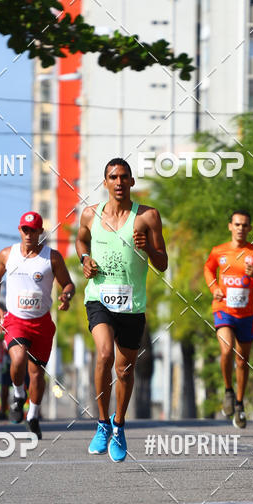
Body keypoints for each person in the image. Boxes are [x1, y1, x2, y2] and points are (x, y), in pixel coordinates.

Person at [76, 158, 168, 462]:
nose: (118, 182)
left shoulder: (148, 217)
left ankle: (119, 424)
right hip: (98, 298)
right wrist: (85, 259)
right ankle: (102, 423)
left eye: (123, 177)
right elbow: (80, 241)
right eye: (112, 177)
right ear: (105, 183)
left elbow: (162, 263)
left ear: (131, 182)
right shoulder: (90, 214)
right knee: (104, 354)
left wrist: (149, 249)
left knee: (124, 370)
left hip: (132, 304)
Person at [0, 211, 75, 440]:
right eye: (25, 230)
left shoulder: (52, 258)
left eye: (33, 230)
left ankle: (33, 416)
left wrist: (67, 296)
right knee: (18, 359)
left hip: (42, 323)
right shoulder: (8, 254)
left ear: (40, 232)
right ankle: (18, 396)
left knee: (37, 375)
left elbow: (68, 284)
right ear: (20, 230)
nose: (29, 234)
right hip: (16, 320)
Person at [204, 210, 253, 429]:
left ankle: (240, 404)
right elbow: (208, 268)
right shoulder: (219, 251)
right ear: (230, 226)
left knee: (242, 361)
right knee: (226, 350)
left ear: (250, 229)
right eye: (237, 224)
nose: (241, 228)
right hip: (223, 309)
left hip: (246, 313)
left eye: (245, 225)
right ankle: (228, 390)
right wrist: (213, 287)